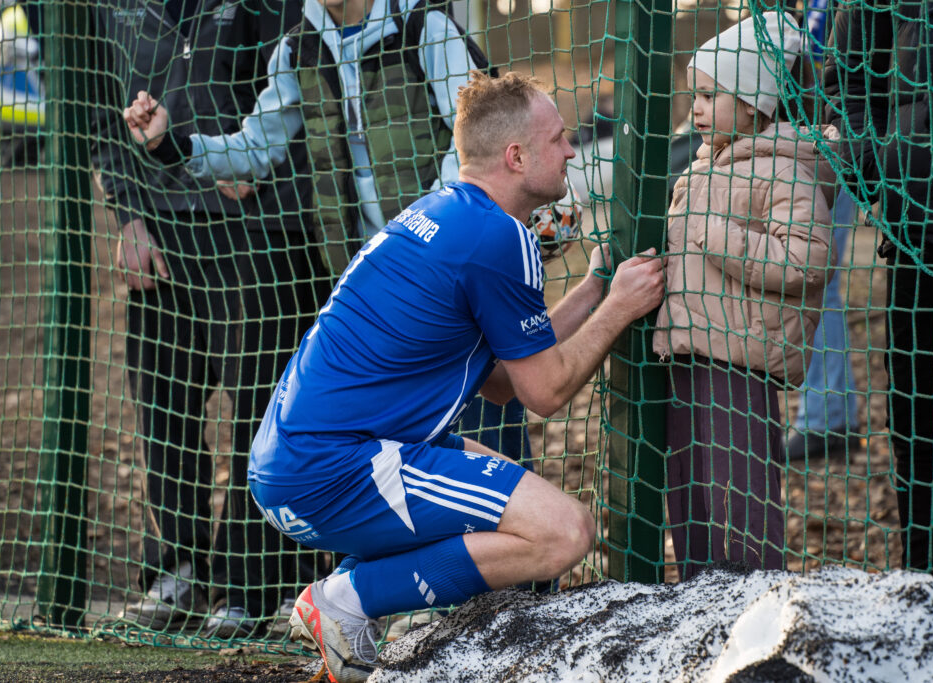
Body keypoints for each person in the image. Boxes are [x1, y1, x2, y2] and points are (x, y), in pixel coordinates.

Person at [128, 69, 666, 681]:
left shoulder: (442, 212)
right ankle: (348, 599)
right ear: (517, 157)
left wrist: (594, 289)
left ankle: (363, 606)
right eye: (560, 138)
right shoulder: (499, 238)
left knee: (522, 506)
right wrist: (621, 306)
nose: (572, 149)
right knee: (565, 532)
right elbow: (545, 394)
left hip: (297, 464)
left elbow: (501, 381)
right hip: (334, 468)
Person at [91, 0, 327, 638]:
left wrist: (256, 173)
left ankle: (263, 580)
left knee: (264, 407)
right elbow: (101, 110)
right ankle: (179, 566)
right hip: (160, 229)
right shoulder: (116, 12)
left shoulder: (273, 9)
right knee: (162, 404)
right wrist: (127, 214)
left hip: (261, 230)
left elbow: (305, 93)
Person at [653, 11, 836, 580]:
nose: (697, 109)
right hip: (687, 353)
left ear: (756, 102)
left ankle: (758, 601)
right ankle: (698, 606)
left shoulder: (787, 170)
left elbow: (809, 260)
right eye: (694, 96)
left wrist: (717, 237)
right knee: (690, 498)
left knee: (743, 501)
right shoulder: (703, 167)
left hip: (742, 362)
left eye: (710, 95)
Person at [824, 0, 933, 583]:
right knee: (922, 422)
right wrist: (877, 167)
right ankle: (928, 588)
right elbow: (845, 77)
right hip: (921, 227)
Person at [785, 0, 859, 461]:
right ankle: (827, 413)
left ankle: (826, 417)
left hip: (838, 140)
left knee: (816, 276)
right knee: (815, 278)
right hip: (809, 141)